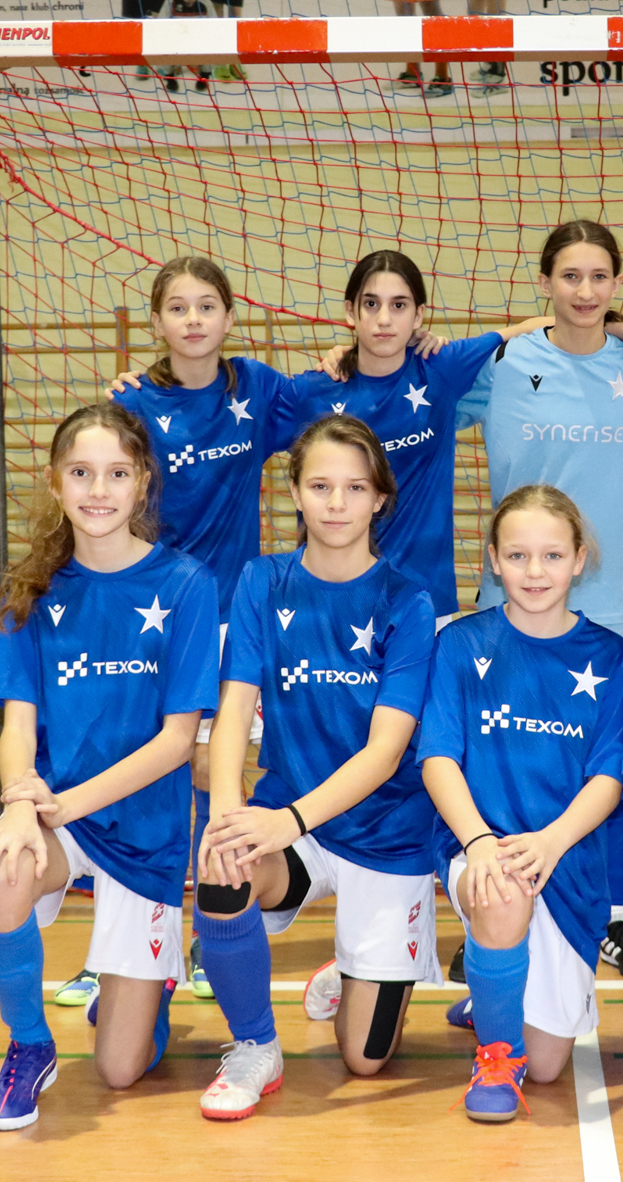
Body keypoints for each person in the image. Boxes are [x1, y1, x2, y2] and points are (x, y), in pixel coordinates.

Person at [458, 218, 623, 981]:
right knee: (503, 756)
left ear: (617, 284)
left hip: (608, 611)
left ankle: (616, 921)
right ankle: (486, 907)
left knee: (612, 769)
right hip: (512, 606)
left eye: (600, 278)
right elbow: (405, 391)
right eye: (570, 276)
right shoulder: (504, 365)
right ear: (545, 282)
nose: (585, 291)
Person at [0, 403, 220, 1130]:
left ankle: (147, 992)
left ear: (142, 483)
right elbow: (17, 726)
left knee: (119, 1069)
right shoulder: (31, 590)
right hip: (59, 816)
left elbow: (178, 742)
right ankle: (29, 1044)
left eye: (116, 473)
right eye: (81, 473)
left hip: (143, 829)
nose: (99, 490)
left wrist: (61, 805)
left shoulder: (186, 585)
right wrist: (20, 805)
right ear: (56, 483)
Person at [192, 414, 441, 1120]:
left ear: (380, 499)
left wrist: (287, 822)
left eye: (355, 487)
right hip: (291, 821)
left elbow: (385, 752)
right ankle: (255, 1046)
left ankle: (357, 963)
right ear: (296, 493)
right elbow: (234, 709)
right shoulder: (262, 581)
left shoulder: (408, 601)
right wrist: (228, 814)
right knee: (223, 861)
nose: (336, 503)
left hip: (386, 834)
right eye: (320, 485)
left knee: (364, 1059)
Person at [91, 255, 301, 1007]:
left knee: (220, 772)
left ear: (228, 318)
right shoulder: (133, 404)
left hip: (229, 618)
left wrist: (345, 355)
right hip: (149, 618)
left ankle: (216, 925)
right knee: (140, 773)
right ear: (156, 322)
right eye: (177, 307)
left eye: (206, 306)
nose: (192, 320)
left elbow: (340, 400)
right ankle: (119, 946)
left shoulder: (258, 389)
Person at [419, 484, 623, 1122]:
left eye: (552, 555)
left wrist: (551, 841)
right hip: (479, 844)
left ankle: (493, 995)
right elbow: (438, 758)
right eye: (517, 556)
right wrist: (480, 842)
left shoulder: (613, 657)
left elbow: (609, 780)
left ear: (579, 559)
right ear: (493, 559)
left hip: (565, 856)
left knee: (549, 1066)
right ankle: (495, 1054)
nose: (535, 572)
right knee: (502, 897)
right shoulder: (461, 644)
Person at [295, 249, 555, 623]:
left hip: (424, 603)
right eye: (371, 304)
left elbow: (545, 325)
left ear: (419, 315)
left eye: (399, 305)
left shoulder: (440, 368)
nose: (384, 319)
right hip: (333, 603)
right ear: (350, 311)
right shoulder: (317, 390)